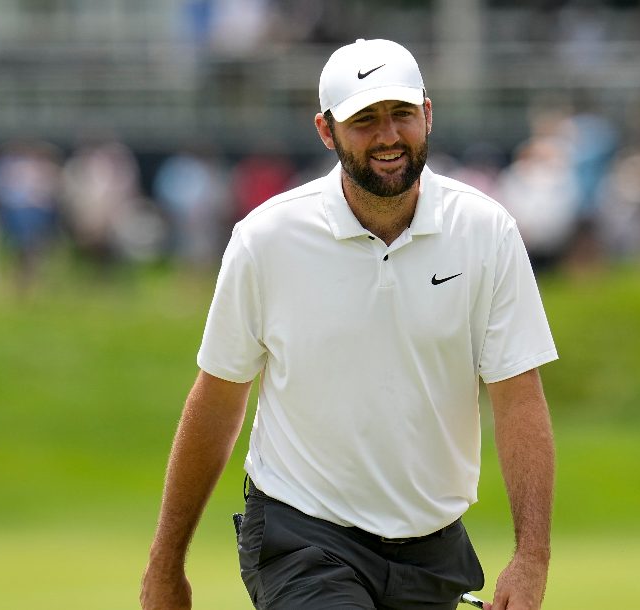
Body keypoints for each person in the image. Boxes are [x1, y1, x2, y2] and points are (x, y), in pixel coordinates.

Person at [141, 38, 558, 610]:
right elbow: (218, 400)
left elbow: (519, 399)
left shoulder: (487, 232)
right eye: (364, 120)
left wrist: (532, 558)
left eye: (401, 114)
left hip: (432, 545)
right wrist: (166, 565)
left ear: (428, 115)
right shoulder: (267, 239)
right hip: (303, 533)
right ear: (326, 130)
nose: (388, 136)